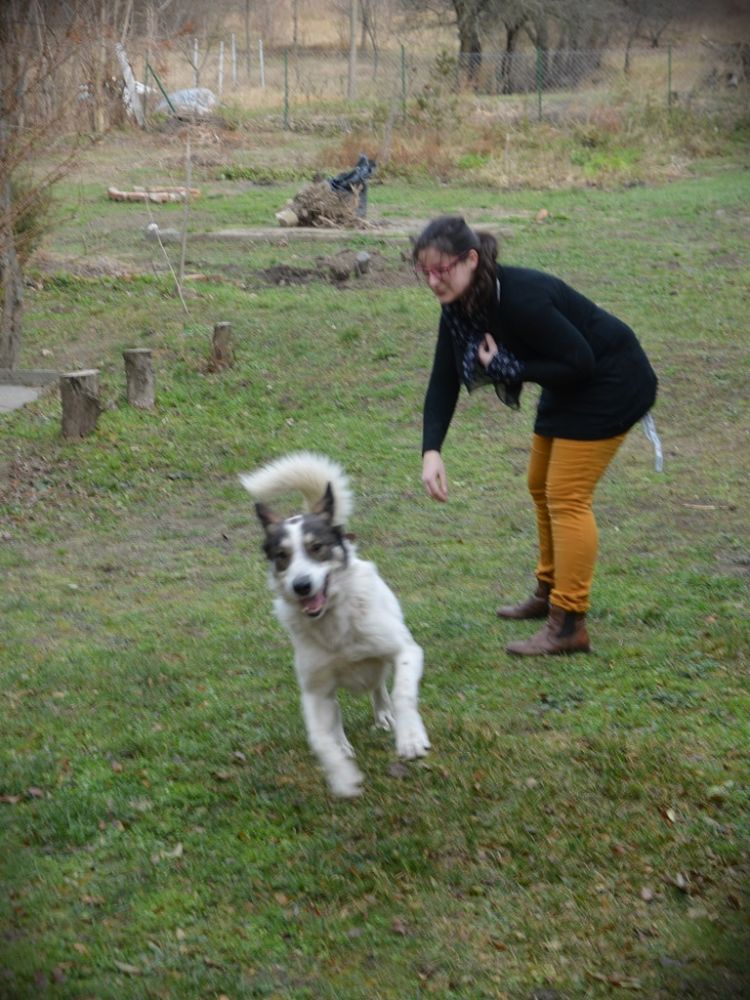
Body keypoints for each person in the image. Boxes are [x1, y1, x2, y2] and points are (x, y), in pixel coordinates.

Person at [414, 214, 658, 656]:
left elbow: (581, 360)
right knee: (539, 483)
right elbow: (443, 377)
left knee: (567, 495)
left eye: (442, 269)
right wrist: (432, 450)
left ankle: (569, 623)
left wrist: (510, 367)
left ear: (471, 259)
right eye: (424, 272)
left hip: (613, 379)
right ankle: (549, 590)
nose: (433, 282)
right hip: (568, 379)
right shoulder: (461, 306)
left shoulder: (522, 298)